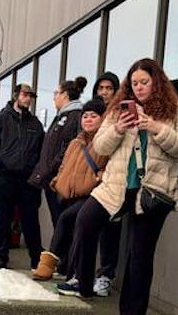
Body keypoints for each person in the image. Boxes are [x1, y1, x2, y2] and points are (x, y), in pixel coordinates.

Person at [61, 58, 178, 315]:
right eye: (134, 83)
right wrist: (119, 128)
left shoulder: (175, 110)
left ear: (156, 81)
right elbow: (100, 144)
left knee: (141, 252)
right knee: (85, 221)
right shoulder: (118, 109)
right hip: (116, 185)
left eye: (144, 82)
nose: (139, 88)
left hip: (153, 190)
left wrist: (156, 128)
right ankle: (84, 285)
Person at [31, 98, 107, 280]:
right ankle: (67, 271)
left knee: (66, 221)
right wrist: (57, 182)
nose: (88, 119)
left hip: (92, 194)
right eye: (85, 116)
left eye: (93, 116)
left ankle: (48, 265)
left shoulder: (105, 142)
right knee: (70, 231)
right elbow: (65, 166)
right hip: (68, 194)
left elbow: (111, 165)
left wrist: (99, 177)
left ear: (103, 119)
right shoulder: (75, 142)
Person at [0, 83, 45, 269]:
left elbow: (41, 151)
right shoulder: (1, 120)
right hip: (5, 177)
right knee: (3, 218)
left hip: (28, 180)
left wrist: (37, 175)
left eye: (31, 96)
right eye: (25, 95)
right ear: (16, 95)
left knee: (31, 221)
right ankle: (0, 256)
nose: (28, 99)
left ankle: (37, 259)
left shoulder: (35, 124)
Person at [29, 76, 89, 228]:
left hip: (63, 181)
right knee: (58, 222)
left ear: (65, 95)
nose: (54, 97)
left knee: (64, 223)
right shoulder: (61, 117)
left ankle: (64, 252)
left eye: (56, 93)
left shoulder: (76, 117)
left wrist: (52, 170)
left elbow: (71, 148)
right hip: (53, 180)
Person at [91, 71, 121, 297]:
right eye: (100, 88)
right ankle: (81, 273)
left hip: (113, 182)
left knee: (111, 231)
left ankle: (105, 276)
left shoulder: (120, 113)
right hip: (89, 181)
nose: (104, 92)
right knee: (84, 227)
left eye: (108, 88)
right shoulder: (90, 112)